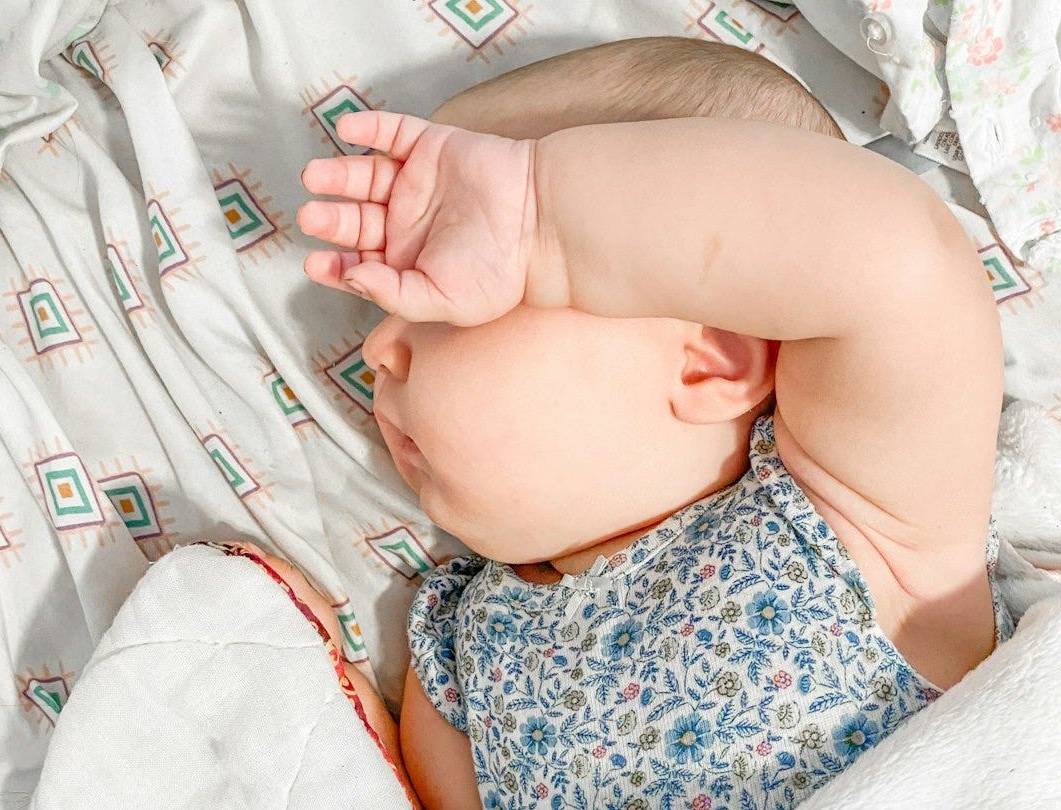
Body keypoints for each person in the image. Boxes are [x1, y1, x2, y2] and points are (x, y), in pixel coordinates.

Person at [287, 37, 1013, 810]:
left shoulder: (860, 528)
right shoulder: (460, 655)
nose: (377, 349)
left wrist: (540, 213)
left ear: (712, 360)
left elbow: (898, 263)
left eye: (458, 294)